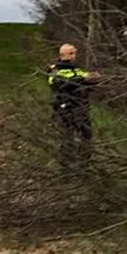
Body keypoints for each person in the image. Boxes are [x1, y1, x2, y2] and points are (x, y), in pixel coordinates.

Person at [47, 43, 99, 172]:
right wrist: (82, 79)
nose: (73, 56)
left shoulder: (77, 70)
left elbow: (90, 80)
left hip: (81, 109)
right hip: (65, 110)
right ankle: (66, 170)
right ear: (62, 55)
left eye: (74, 53)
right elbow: (60, 84)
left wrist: (93, 78)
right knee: (67, 139)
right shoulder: (55, 71)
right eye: (70, 53)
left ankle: (84, 167)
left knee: (86, 137)